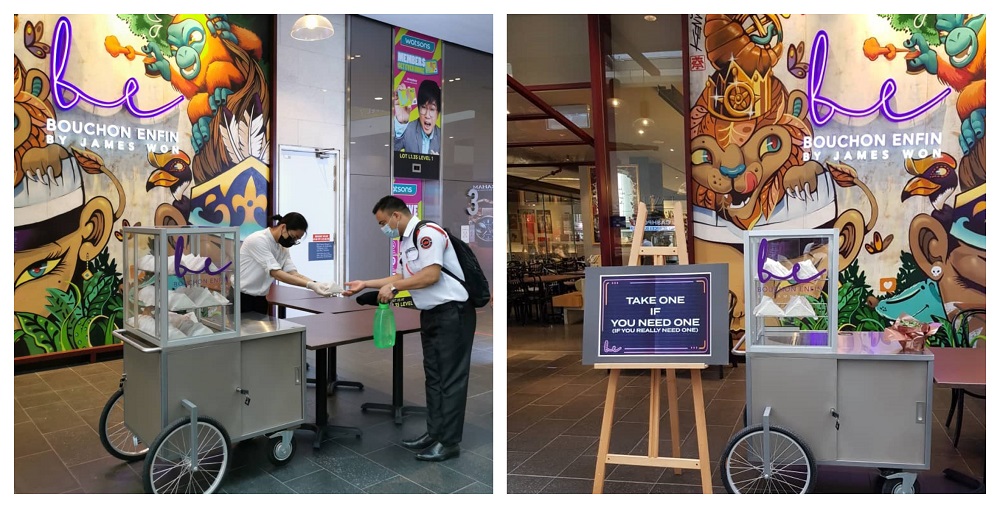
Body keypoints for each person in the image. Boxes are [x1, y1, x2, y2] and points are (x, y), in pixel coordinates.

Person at [343, 196, 475, 462]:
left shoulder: (428, 234)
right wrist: (365, 283)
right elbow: (402, 277)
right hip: (432, 314)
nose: (383, 228)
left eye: (383, 222)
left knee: (450, 380)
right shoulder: (407, 240)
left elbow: (430, 275)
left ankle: (449, 443)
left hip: (453, 314)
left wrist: (394, 288)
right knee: (435, 377)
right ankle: (434, 432)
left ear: (396, 216)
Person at [239, 213, 333, 315]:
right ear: (283, 227)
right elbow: (276, 273)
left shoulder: (282, 247)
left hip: (260, 298)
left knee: (259, 329)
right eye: (293, 237)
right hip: (241, 297)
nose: (293, 241)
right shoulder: (258, 240)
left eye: (296, 240)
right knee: (243, 330)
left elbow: (293, 273)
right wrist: (310, 285)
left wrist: (316, 283)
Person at [392, 79, 442, 155]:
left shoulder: (442, 137)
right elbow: (391, 151)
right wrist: (401, 122)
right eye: (423, 107)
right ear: (418, 109)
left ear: (438, 113)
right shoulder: (408, 129)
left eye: (432, 109)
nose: (427, 115)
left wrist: (437, 163)